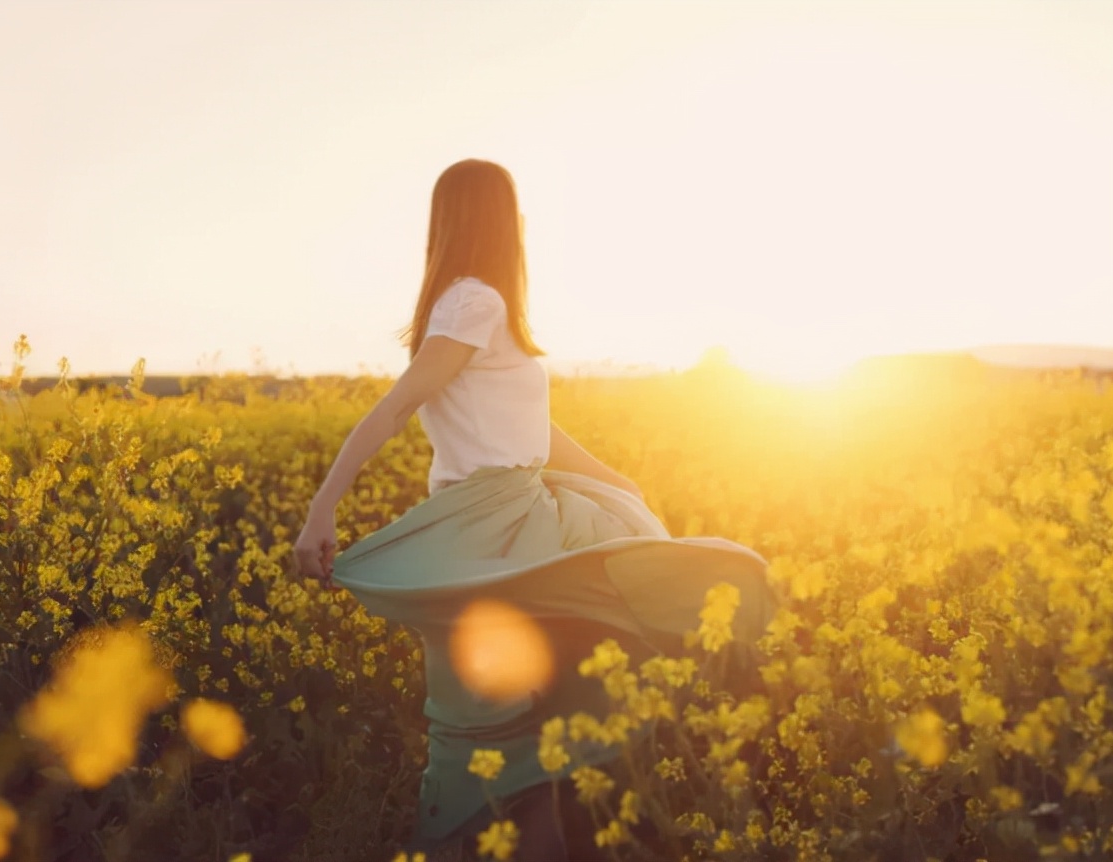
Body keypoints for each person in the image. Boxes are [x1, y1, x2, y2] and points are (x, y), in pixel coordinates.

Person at [294, 158, 774, 861]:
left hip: (509, 521)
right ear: (498, 218)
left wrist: (619, 483)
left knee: (527, 734)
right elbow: (398, 405)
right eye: (515, 211)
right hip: (497, 527)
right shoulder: (475, 302)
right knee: (503, 733)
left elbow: (531, 429)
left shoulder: (472, 307)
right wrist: (321, 511)